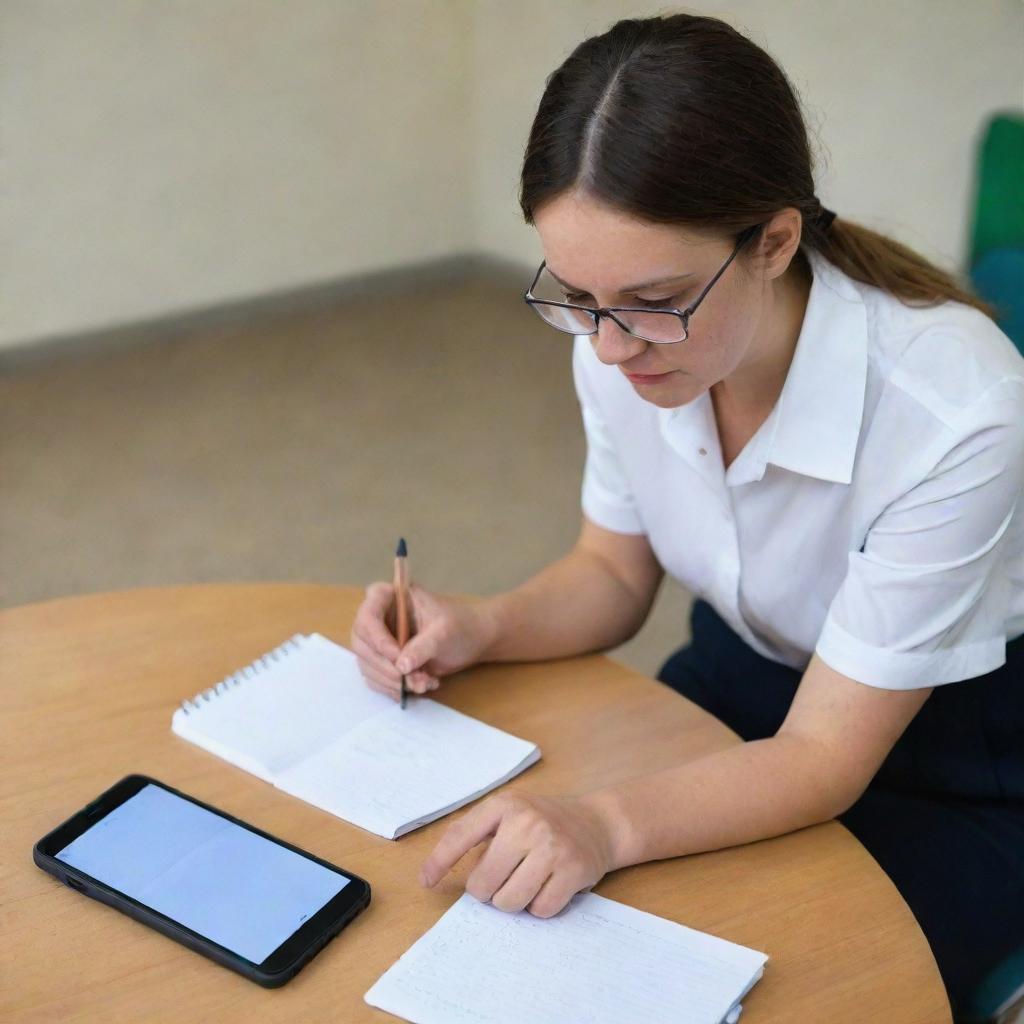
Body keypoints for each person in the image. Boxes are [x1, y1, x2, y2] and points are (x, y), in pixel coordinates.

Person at [351, 13, 1024, 1020]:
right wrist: (481, 624)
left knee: (782, 984)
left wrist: (609, 825)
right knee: (547, 932)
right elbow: (614, 574)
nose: (609, 347)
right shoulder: (624, 338)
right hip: (740, 680)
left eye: (651, 298)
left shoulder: (956, 408)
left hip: (950, 758)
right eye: (577, 296)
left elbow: (824, 759)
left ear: (775, 241)